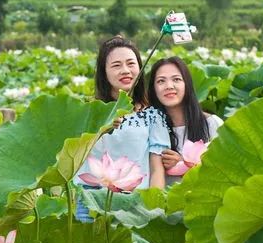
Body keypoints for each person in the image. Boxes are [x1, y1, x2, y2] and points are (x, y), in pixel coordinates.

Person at [74, 35, 169, 214]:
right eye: (116, 65)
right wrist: (102, 128)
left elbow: (157, 169)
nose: (125, 70)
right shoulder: (87, 110)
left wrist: (154, 208)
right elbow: (72, 154)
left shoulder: (152, 115)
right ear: (104, 72)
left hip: (135, 202)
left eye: (131, 64)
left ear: (140, 68)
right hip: (91, 197)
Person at [147, 56, 224, 185]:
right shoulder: (148, 127)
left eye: (176, 79)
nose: (169, 86)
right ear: (153, 89)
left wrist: (184, 165)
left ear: (187, 84)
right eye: (161, 81)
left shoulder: (212, 124)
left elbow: (226, 170)